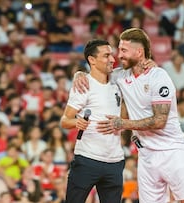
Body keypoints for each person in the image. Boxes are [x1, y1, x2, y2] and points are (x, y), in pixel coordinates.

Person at [73, 28, 184, 202]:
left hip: (171, 150)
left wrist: (123, 124)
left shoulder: (159, 77)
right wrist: (79, 74)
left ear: (139, 52)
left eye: (124, 50)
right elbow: (96, 74)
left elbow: (159, 121)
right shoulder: (120, 76)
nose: (119, 55)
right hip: (146, 154)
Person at [60, 39, 125, 203]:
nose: (112, 59)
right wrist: (76, 122)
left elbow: (139, 68)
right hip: (87, 159)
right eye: (106, 55)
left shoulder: (118, 80)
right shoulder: (83, 84)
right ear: (92, 60)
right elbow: (65, 120)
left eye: (111, 54)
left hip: (115, 161)